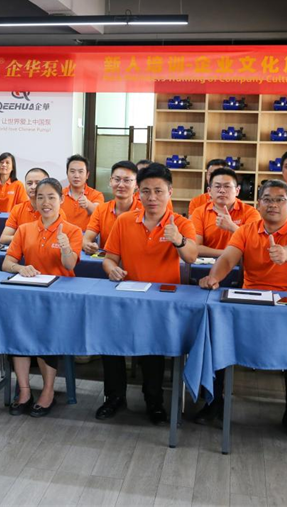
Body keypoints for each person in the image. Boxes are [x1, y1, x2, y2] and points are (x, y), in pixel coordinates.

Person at [198, 180, 287, 437]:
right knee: (217, 334)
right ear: (259, 204)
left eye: (279, 200)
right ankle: (214, 403)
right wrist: (214, 277)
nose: (273, 205)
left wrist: (285, 253)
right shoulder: (246, 230)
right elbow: (228, 257)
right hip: (251, 301)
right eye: (267, 199)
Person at [97, 164, 199, 424]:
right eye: (146, 191)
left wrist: (178, 240)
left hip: (162, 303)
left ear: (170, 192)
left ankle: (154, 401)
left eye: (158, 191)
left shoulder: (181, 223)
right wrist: (111, 270)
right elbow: (109, 259)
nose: (152, 197)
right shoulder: (124, 221)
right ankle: (114, 397)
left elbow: (191, 256)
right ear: (138, 193)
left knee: (152, 349)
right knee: (111, 342)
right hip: (127, 297)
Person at [2, 178, 82, 417]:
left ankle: (48, 392)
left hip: (58, 301)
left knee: (46, 331)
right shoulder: (25, 229)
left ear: (61, 199)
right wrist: (21, 268)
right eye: (40, 197)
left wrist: (65, 247)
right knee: (17, 330)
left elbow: (70, 265)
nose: (45, 202)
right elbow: (7, 262)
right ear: (34, 201)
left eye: (51, 197)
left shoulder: (72, 230)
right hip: (28, 296)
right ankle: (24, 391)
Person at [191, 168, 261, 257]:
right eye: (217, 186)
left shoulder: (251, 212)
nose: (222, 190)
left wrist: (231, 226)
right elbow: (195, 247)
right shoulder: (199, 212)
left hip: (241, 263)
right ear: (209, 191)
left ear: (237, 191)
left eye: (227, 186)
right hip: (208, 263)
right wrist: (226, 254)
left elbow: (255, 243)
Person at [83, 161, 141, 255]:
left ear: (136, 184)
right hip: (107, 261)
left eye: (127, 180)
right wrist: (88, 246)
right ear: (111, 181)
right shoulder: (101, 209)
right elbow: (86, 239)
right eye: (117, 179)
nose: (121, 185)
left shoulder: (144, 211)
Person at [0, 168, 52, 245]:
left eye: (37, 183)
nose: (33, 187)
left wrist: (21, 237)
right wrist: (27, 237)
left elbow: (55, 240)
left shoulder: (55, 211)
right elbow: (4, 238)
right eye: (29, 183)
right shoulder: (18, 209)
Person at [62, 154, 104, 230]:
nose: (76, 175)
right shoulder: (59, 194)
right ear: (67, 174)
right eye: (72, 171)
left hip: (87, 235)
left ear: (87, 175)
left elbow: (99, 213)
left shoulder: (97, 195)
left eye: (80, 171)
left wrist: (87, 204)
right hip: (64, 234)